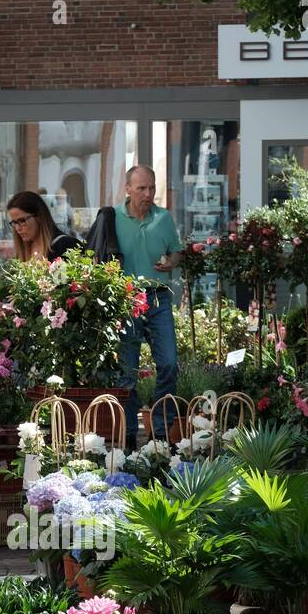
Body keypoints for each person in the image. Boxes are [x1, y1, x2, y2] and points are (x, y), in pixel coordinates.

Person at [114, 165, 183, 448]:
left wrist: (171, 262)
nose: (148, 193)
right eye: (141, 188)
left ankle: (160, 430)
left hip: (158, 298)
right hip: (127, 298)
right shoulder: (113, 217)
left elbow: (175, 252)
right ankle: (130, 432)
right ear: (128, 189)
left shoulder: (163, 218)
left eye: (152, 188)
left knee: (168, 363)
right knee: (126, 371)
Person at [6, 191, 79, 262]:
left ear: (39, 216)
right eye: (14, 222)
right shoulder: (22, 251)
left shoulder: (66, 246)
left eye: (22, 221)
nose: (17, 228)